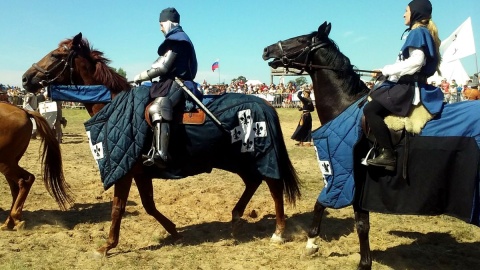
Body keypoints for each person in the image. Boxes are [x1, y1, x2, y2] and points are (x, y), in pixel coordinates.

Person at [363, 0, 442, 171]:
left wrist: (387, 69)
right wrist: (385, 71)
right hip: (407, 84)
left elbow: (416, 62)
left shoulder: (418, 32)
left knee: (370, 110)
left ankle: (388, 154)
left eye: (406, 11)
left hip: (408, 88)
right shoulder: (422, 32)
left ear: (415, 13)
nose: (403, 14)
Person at [134, 7, 198, 167]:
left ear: (168, 23)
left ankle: (161, 154)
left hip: (179, 83)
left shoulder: (179, 40)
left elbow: (163, 68)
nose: (160, 28)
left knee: (159, 107)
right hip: (169, 81)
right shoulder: (175, 40)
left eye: (161, 24)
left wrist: (141, 76)